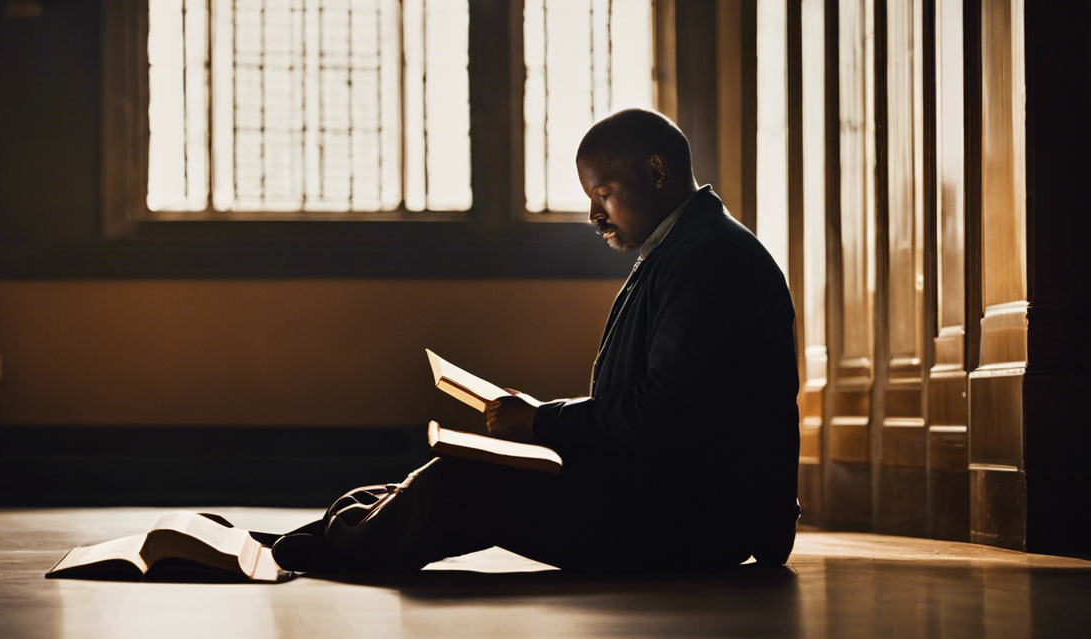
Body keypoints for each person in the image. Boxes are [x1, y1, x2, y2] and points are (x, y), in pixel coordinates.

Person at [269, 108, 801, 573]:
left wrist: (543, 421)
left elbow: (667, 414)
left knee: (461, 485)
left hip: (695, 522)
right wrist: (541, 427)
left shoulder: (710, 257)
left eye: (603, 194)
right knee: (452, 476)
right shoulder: (687, 249)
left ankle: (318, 546)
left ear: (657, 172)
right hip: (671, 499)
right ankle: (331, 534)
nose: (595, 216)